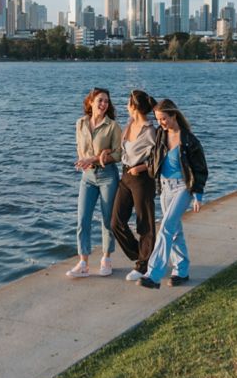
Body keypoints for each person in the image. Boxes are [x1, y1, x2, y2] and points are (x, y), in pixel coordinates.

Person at [139, 98, 208, 290]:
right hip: (164, 187)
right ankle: (182, 271)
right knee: (175, 231)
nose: (161, 122)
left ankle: (153, 275)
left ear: (173, 115)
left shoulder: (189, 140)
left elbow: (200, 169)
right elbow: (155, 157)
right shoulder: (161, 135)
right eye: (158, 119)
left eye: (163, 118)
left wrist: (198, 195)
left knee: (166, 227)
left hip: (182, 188)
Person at [67, 87, 122, 278]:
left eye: (106, 101)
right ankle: (83, 263)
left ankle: (106, 259)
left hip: (108, 176)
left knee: (107, 220)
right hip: (88, 177)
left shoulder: (112, 126)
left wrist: (95, 158)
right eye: (100, 100)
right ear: (90, 102)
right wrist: (84, 161)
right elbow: (79, 147)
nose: (103, 104)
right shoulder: (80, 123)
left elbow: (119, 154)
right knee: (83, 219)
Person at [111, 90, 157, 282]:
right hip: (125, 175)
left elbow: (158, 158)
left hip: (142, 178)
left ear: (134, 106)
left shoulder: (150, 130)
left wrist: (141, 168)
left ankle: (143, 265)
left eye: (128, 103)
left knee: (144, 222)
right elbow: (123, 150)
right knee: (116, 222)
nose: (126, 106)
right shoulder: (129, 124)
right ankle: (142, 255)